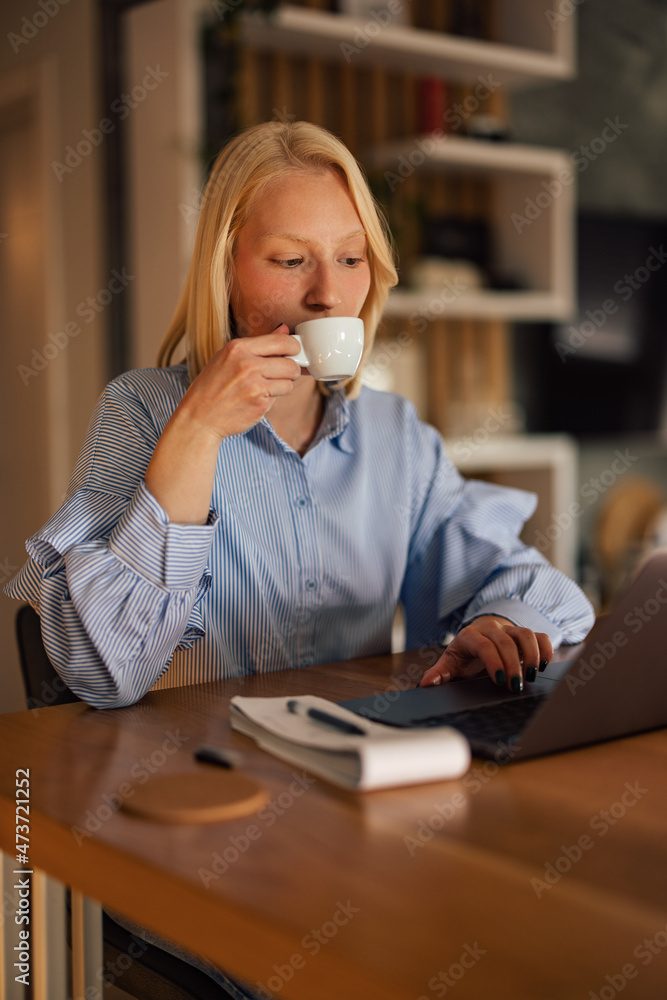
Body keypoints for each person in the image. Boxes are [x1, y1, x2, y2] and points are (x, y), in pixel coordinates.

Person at [6, 119, 594, 997]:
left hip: (358, 811)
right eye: (290, 261)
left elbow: (523, 582)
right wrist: (198, 431)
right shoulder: (143, 413)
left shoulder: (397, 437)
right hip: (202, 820)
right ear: (226, 266)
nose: (330, 296)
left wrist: (498, 621)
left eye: (352, 259)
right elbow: (99, 671)